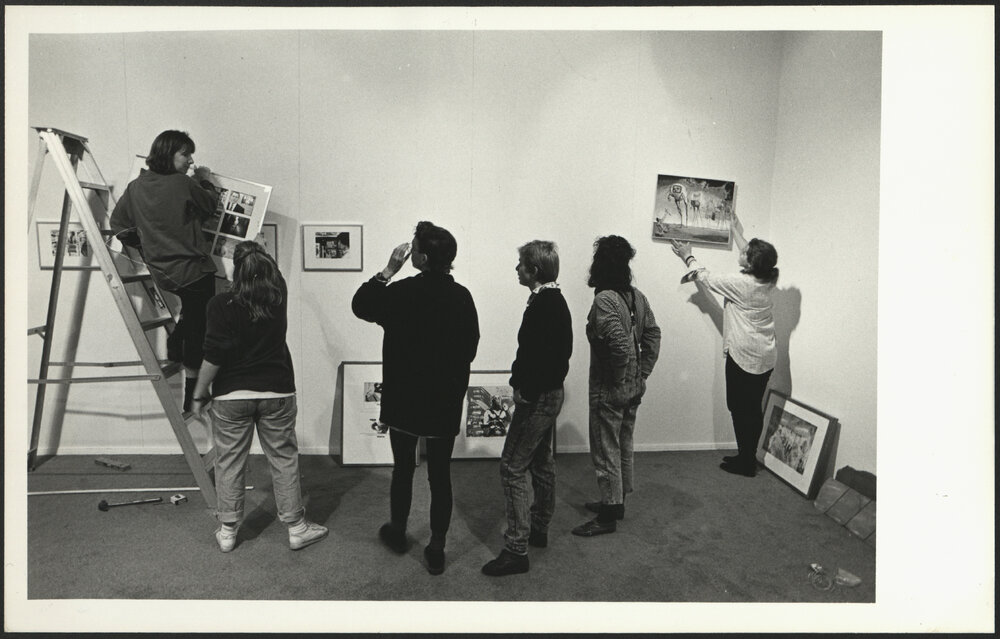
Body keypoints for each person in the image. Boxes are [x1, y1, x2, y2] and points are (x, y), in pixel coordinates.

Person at [351, 221, 480, 576]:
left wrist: (388, 270)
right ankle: (436, 547)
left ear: (420, 257)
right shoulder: (462, 297)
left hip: (405, 399)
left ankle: (397, 532)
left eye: (413, 248)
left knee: (403, 469)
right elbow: (470, 348)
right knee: (441, 475)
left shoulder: (402, 292)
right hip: (443, 400)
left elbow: (361, 305)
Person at [191, 241, 328, 553]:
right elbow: (272, 272)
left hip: (231, 396)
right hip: (277, 391)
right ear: (268, 267)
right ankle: (297, 528)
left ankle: (227, 532)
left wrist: (199, 393)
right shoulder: (278, 298)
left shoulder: (219, 304)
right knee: (283, 459)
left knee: (229, 462)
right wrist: (260, 249)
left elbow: (213, 356)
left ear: (236, 272)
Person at [110, 130, 219, 411]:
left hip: (164, 274)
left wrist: (146, 247)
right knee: (200, 328)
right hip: (194, 271)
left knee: (192, 316)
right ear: (168, 153)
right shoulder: (184, 183)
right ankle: (192, 395)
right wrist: (205, 179)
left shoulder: (136, 186)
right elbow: (210, 203)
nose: (191, 161)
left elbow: (119, 225)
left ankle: (176, 346)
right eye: (186, 154)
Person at [482, 240, 573, 577]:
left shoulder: (546, 304)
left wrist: (525, 389)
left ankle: (517, 548)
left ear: (534, 270)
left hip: (539, 396)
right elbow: (549, 354)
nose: (517, 269)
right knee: (541, 462)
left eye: (521, 264)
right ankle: (538, 528)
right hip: (548, 394)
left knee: (511, 467)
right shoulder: (551, 300)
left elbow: (545, 357)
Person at [670, 215, 779, 477]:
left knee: (739, 408)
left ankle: (746, 462)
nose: (741, 253)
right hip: (765, 355)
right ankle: (746, 457)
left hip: (745, 356)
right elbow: (749, 253)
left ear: (751, 263)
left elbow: (704, 277)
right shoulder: (768, 277)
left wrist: (687, 255)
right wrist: (733, 229)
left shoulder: (741, 283)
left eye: (747, 254)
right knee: (751, 408)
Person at [574, 235, 661, 537]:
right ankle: (617, 501)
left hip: (610, 388)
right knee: (623, 443)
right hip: (633, 387)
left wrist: (617, 377)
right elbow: (652, 335)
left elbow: (620, 346)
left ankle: (608, 514)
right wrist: (642, 374)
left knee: (605, 448)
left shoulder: (605, 299)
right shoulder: (637, 296)